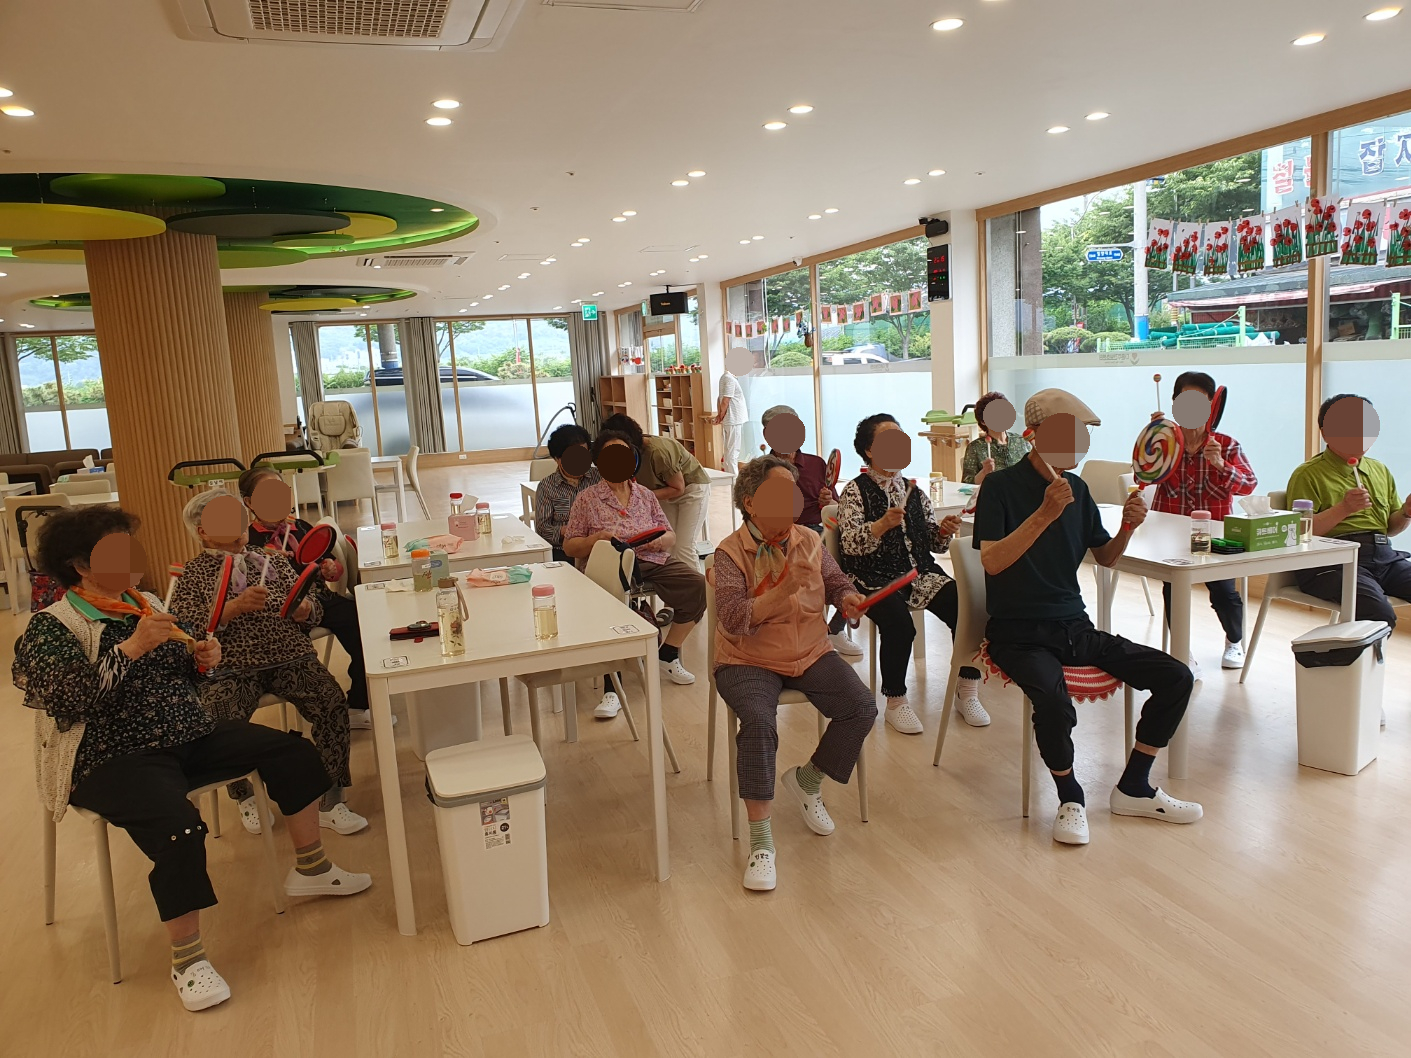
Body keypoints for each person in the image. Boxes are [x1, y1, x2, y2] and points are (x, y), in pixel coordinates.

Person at [14, 505, 370, 1012]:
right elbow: (71, 700)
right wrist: (133, 647)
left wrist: (203, 661)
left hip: (186, 732)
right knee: (181, 829)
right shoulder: (53, 626)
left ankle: (311, 868)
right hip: (110, 755)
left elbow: (182, 670)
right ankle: (188, 960)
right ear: (80, 565)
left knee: (292, 752)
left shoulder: (145, 603)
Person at [973, 388, 1202, 846]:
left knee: (1177, 676)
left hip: (1074, 627)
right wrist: (1044, 513)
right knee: (1054, 703)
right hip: (1017, 633)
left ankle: (1134, 786)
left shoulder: (1077, 489)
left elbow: (1107, 558)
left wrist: (1128, 527)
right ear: (1033, 435)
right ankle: (1070, 796)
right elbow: (993, 562)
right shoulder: (1000, 487)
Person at [713, 456, 876, 892]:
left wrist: (848, 599)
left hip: (809, 651)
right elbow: (732, 618)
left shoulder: (809, 538)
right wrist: (783, 588)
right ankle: (761, 843)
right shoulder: (729, 552)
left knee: (861, 706)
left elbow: (836, 581)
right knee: (759, 724)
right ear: (750, 502)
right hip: (747, 659)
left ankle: (807, 780)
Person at [169, 490, 368, 838]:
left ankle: (331, 796)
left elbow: (310, 603)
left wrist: (307, 610)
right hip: (230, 666)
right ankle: (243, 794)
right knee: (216, 722)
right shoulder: (192, 573)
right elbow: (184, 630)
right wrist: (233, 608)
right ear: (203, 531)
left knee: (331, 701)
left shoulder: (269, 560)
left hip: (289, 655)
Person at [837, 413, 989, 734]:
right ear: (869, 450)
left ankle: (967, 690)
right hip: (872, 577)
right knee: (900, 625)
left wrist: (942, 532)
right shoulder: (854, 490)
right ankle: (896, 702)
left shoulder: (915, 490)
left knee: (970, 609)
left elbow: (933, 544)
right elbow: (849, 545)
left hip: (920, 574)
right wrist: (880, 526)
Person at [563, 429, 708, 686]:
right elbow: (570, 546)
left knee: (698, 585)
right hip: (610, 565)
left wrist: (660, 541)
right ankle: (612, 683)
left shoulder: (645, 494)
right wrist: (595, 540)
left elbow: (670, 535)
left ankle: (668, 653)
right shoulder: (587, 498)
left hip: (650, 559)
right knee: (612, 600)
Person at [237, 467, 374, 724]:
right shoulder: (249, 542)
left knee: (363, 621)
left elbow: (331, 565)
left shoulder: (300, 526)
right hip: (280, 611)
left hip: (320, 600)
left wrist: (331, 568)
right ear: (249, 502)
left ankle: (359, 702)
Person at [1150, 371, 1258, 676]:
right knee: (1173, 588)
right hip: (1170, 532)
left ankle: (1234, 640)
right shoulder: (1165, 441)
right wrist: (1153, 437)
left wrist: (1221, 464)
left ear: (1211, 405)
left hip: (1214, 535)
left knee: (1223, 591)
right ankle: (1182, 653)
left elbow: (1249, 484)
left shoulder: (1226, 444)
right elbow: (1141, 475)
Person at [1287, 393, 1411, 628]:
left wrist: (1405, 512)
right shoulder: (1308, 474)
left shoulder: (1380, 470)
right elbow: (1299, 534)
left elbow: (1391, 529)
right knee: (1378, 614)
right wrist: (1343, 509)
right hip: (1332, 562)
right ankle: (1352, 653)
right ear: (1325, 433)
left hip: (1384, 557)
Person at [533, 422, 622, 719]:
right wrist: (573, 533)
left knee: (608, 600)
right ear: (557, 459)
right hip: (564, 553)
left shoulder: (599, 477)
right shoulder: (547, 486)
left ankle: (612, 673)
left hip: (602, 550)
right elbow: (543, 528)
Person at [760, 403, 861, 658]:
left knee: (860, 560)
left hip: (823, 530)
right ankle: (805, 629)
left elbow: (838, 507)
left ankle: (835, 628)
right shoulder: (761, 469)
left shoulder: (816, 464)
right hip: (785, 534)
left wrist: (829, 501)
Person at [602, 413, 711, 573]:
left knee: (684, 545)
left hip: (691, 490)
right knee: (668, 544)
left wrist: (642, 495)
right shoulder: (630, 455)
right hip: (664, 491)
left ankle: (697, 588)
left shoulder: (658, 452)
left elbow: (678, 488)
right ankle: (675, 586)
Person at [962, 391, 1030, 486]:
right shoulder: (975, 447)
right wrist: (984, 472)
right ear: (983, 421)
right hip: (993, 493)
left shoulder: (1022, 441)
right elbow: (967, 484)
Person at [713, 359, 750, 476]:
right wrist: (720, 416)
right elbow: (725, 400)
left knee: (729, 451)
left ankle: (730, 477)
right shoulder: (729, 379)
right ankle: (734, 479)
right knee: (733, 452)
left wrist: (720, 415)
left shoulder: (726, 377)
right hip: (733, 419)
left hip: (731, 419)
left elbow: (720, 398)